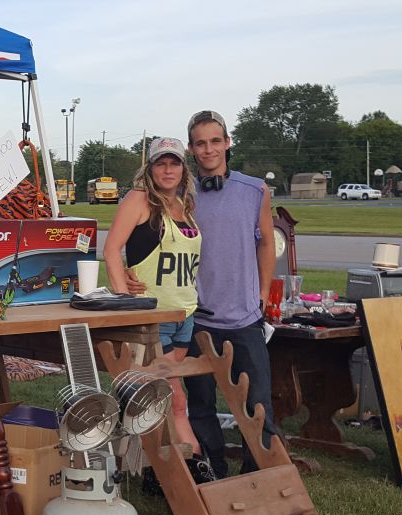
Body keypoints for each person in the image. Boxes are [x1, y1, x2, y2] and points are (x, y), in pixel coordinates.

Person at [104, 137, 214, 484]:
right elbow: (111, 249)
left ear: (184, 168)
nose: (168, 170)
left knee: (161, 400)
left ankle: (156, 472)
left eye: (175, 163)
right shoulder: (140, 200)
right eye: (160, 163)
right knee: (171, 399)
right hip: (153, 317)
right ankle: (195, 473)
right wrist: (127, 301)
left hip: (183, 315)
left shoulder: (184, 204)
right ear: (149, 169)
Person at [181, 110, 279, 477]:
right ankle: (212, 472)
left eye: (215, 141)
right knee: (201, 404)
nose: (209, 149)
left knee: (258, 405)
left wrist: (264, 291)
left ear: (227, 143)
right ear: (192, 148)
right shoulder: (179, 194)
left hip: (244, 317)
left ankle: (260, 475)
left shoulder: (254, 190)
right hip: (196, 318)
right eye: (201, 143)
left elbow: (267, 242)